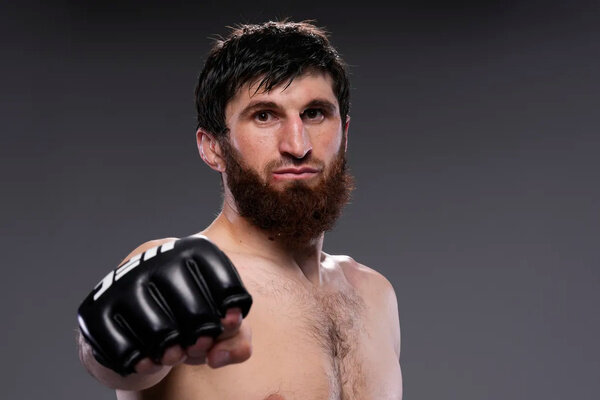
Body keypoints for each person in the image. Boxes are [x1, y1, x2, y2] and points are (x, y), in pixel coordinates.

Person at [77, 20, 402, 400]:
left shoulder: (374, 294)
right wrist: (106, 346)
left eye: (314, 113)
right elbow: (114, 349)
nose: (298, 145)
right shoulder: (191, 276)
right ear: (212, 147)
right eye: (264, 115)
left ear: (344, 133)